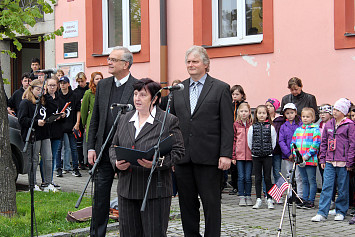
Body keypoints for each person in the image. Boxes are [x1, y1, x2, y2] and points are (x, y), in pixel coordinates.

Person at [170, 45, 233, 237]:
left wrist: (225, 154)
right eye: (188, 62)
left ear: (206, 64)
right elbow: (172, 125)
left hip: (210, 158)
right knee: (187, 205)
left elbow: (227, 125)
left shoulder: (220, 88)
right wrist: (173, 155)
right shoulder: (178, 89)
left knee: (211, 205)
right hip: (183, 158)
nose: (191, 65)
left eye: (195, 61)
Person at [108, 78, 184, 236]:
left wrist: (156, 163)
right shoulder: (124, 119)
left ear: (155, 98)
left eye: (142, 95)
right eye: (135, 94)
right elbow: (112, 146)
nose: (137, 98)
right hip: (127, 189)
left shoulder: (168, 120)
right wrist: (116, 162)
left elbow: (178, 151)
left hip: (155, 190)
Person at [87, 46, 138, 237]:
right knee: (100, 198)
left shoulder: (137, 86)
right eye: (109, 59)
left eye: (113, 60)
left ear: (125, 64)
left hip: (125, 152)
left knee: (126, 197)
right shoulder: (103, 85)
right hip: (102, 150)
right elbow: (95, 119)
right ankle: (97, 234)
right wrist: (91, 147)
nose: (109, 62)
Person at [312, 98, 355, 222]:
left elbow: (352, 144)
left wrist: (350, 161)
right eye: (334, 109)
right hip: (330, 161)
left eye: (337, 109)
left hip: (343, 162)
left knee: (342, 187)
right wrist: (323, 159)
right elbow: (324, 142)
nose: (334, 112)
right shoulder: (329, 124)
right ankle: (322, 212)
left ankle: (341, 211)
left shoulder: (350, 125)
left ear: (343, 111)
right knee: (327, 186)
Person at [17, 79, 58, 192]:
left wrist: (47, 95)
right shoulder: (26, 102)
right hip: (34, 134)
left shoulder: (43, 101)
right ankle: (33, 184)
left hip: (45, 133)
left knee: (48, 158)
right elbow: (22, 119)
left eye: (42, 89)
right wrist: (36, 122)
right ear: (32, 89)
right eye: (38, 89)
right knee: (34, 159)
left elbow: (53, 107)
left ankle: (48, 183)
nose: (40, 91)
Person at [291, 108, 321, 209]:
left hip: (310, 160)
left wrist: (307, 156)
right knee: (304, 180)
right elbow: (293, 143)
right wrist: (297, 155)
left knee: (311, 180)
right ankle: (304, 198)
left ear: (312, 118)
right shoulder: (298, 130)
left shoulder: (315, 129)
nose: (305, 118)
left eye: (307, 117)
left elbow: (316, 144)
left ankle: (311, 200)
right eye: (303, 116)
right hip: (300, 160)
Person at [248, 105, 277, 209]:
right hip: (256, 156)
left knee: (268, 177)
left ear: (267, 115)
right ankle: (258, 199)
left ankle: (269, 199)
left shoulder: (271, 127)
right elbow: (249, 142)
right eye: (259, 113)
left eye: (264, 113)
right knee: (258, 178)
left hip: (267, 156)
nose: (261, 115)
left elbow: (273, 142)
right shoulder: (252, 127)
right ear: (256, 114)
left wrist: (268, 151)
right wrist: (255, 151)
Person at [56, 76, 82, 178]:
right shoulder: (57, 96)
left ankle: (75, 168)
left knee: (74, 148)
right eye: (61, 83)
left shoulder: (74, 95)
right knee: (59, 148)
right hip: (60, 125)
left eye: (64, 83)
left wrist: (77, 123)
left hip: (71, 125)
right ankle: (59, 168)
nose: (62, 85)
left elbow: (78, 110)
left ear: (68, 84)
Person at [278, 103, 302, 199]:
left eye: (292, 112)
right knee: (289, 175)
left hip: (298, 155)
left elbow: (302, 139)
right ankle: (290, 194)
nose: (290, 115)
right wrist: (288, 153)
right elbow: (281, 140)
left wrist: (296, 153)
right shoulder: (283, 126)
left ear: (295, 112)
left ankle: (300, 195)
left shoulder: (300, 125)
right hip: (287, 156)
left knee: (299, 176)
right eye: (287, 113)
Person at [232, 102, 253, 206]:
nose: (244, 113)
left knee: (248, 177)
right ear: (238, 112)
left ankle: (248, 196)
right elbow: (234, 141)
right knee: (241, 177)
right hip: (239, 155)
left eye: (246, 111)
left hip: (250, 155)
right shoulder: (236, 125)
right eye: (242, 111)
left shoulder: (252, 125)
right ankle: (241, 196)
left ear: (249, 112)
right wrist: (233, 156)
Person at [45, 76, 64, 189]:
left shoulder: (60, 99)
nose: (52, 87)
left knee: (53, 156)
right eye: (50, 85)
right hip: (46, 130)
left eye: (54, 85)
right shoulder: (44, 99)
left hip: (57, 130)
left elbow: (63, 113)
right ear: (46, 87)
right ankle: (45, 180)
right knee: (46, 156)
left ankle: (50, 179)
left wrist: (62, 116)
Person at [265, 98, 285, 203]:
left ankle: (278, 195)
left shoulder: (280, 120)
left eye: (270, 106)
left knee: (277, 173)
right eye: (266, 105)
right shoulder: (263, 118)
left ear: (275, 108)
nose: (268, 108)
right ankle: (267, 194)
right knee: (266, 174)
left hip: (277, 151)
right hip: (265, 151)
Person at [81, 72, 103, 162]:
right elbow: (84, 110)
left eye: (101, 79)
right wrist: (84, 124)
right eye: (97, 79)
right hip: (92, 120)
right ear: (92, 81)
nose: (99, 81)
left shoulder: (104, 92)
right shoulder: (89, 93)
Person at [229, 85, 246, 195]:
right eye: (233, 94)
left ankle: (242, 185)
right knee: (233, 162)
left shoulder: (243, 106)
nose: (234, 96)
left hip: (240, 134)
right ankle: (234, 184)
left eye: (237, 94)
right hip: (231, 133)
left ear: (242, 95)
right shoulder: (230, 105)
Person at [74, 72, 90, 170]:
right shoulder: (76, 92)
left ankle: (89, 160)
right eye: (78, 82)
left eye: (82, 81)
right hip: (79, 118)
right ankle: (81, 161)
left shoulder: (89, 90)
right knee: (79, 142)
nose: (80, 83)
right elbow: (77, 108)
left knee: (88, 141)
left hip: (89, 118)